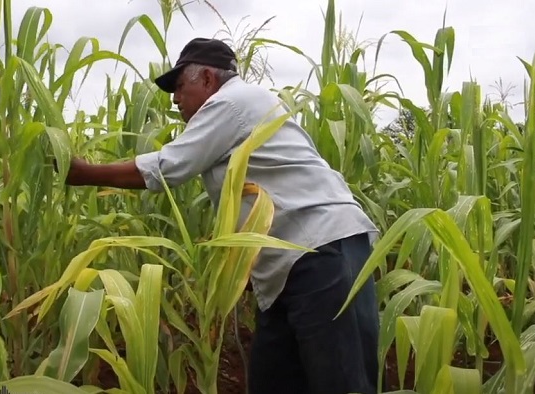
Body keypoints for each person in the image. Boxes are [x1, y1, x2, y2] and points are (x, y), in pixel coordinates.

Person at [61, 37, 381, 394]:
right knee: (273, 380)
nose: (175, 100)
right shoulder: (247, 104)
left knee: (341, 382)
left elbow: (166, 168)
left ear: (209, 80)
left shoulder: (230, 103)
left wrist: (81, 173)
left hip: (322, 254)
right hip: (293, 265)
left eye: (180, 87)